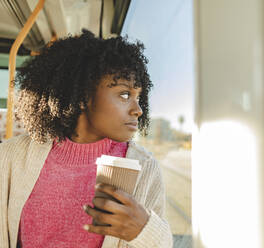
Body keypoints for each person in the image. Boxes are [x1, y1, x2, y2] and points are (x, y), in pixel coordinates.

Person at [0, 30, 173, 248]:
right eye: (125, 94)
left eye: (138, 97)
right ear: (83, 97)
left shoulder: (145, 168)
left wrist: (144, 232)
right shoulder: (11, 157)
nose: (138, 110)